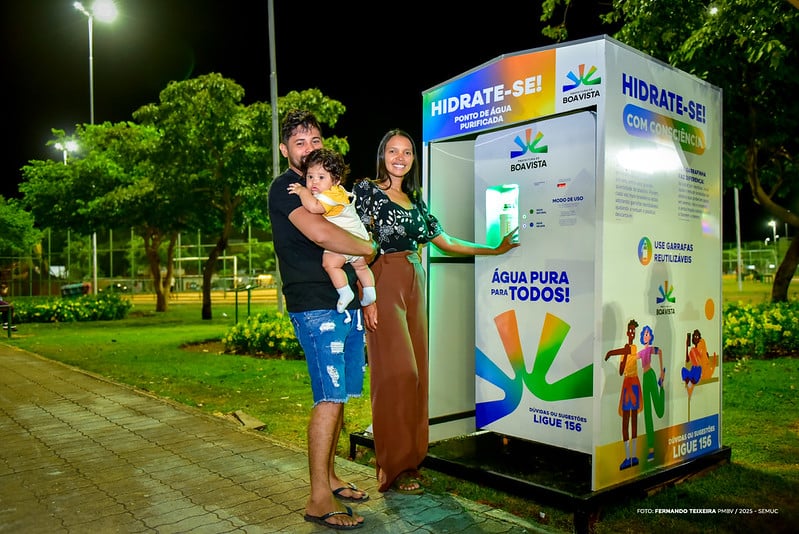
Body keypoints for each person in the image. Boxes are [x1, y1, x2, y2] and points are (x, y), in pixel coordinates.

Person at [354, 128, 519, 494]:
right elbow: (357, 243)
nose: (400, 157)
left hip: (417, 280)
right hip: (384, 279)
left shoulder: (416, 201)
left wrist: (494, 248)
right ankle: (392, 467)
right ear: (382, 155)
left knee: (417, 378)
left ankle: (411, 461)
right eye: (393, 151)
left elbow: (446, 241)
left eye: (407, 152)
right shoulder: (367, 191)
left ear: (413, 159)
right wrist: (367, 296)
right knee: (397, 375)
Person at [268, 110, 376, 530]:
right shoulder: (287, 190)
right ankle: (317, 499)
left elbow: (340, 228)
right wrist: (368, 250)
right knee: (328, 398)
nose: (309, 147)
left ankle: (330, 478)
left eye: (314, 140)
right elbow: (322, 235)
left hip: (342, 304)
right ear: (285, 150)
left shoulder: (332, 190)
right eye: (299, 142)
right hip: (314, 305)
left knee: (342, 395)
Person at [288, 148, 376, 316]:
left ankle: (344, 292)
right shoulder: (339, 192)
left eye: (321, 177)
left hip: (344, 241)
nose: (314, 182)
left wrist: (302, 192)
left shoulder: (328, 196)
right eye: (310, 177)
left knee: (329, 264)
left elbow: (314, 207)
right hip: (359, 237)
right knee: (361, 267)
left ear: (335, 180)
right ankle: (370, 291)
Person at [604, 319, 642, 470]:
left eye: (634, 331)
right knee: (625, 420)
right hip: (626, 384)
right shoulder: (625, 351)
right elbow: (620, 371)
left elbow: (624, 351)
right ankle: (627, 457)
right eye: (630, 331)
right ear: (627, 332)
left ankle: (634, 456)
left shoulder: (633, 347)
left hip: (634, 384)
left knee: (634, 419)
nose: (632, 333)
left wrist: (610, 353)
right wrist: (623, 356)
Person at [637, 325, 666, 462]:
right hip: (644, 379)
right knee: (647, 412)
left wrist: (661, 371)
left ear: (650, 336)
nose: (645, 335)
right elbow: (633, 357)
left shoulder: (650, 349)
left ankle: (662, 390)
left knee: (658, 409)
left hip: (651, 376)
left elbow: (660, 351)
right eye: (644, 334)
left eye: (647, 333)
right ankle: (651, 449)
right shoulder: (642, 352)